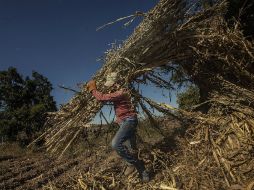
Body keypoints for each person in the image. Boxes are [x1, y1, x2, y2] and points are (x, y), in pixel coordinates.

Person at [87, 72, 149, 182]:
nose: (110, 87)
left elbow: (102, 98)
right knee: (132, 150)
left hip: (129, 121)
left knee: (115, 144)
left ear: (117, 83)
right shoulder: (119, 92)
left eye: (112, 84)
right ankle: (143, 173)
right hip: (124, 122)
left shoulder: (121, 92)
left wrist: (93, 89)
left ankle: (130, 164)